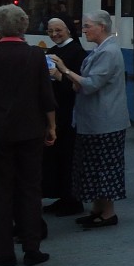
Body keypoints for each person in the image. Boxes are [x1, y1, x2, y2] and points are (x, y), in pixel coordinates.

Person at [0, 4, 57, 266]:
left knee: (2, 192)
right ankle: (32, 248)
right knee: (31, 189)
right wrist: (52, 126)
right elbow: (46, 96)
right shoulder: (35, 55)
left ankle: (4, 252)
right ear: (24, 26)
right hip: (30, 131)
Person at [48, 10, 129, 230]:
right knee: (91, 167)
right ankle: (97, 209)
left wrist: (64, 71)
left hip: (106, 121)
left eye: (87, 26)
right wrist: (72, 79)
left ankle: (108, 212)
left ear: (101, 27)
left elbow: (91, 84)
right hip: (91, 121)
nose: (83, 30)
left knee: (105, 167)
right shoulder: (98, 51)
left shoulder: (109, 52)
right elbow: (81, 84)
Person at [42, 17, 87, 216]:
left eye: (58, 30)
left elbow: (80, 85)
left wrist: (60, 75)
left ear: (68, 30)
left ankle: (72, 199)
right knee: (57, 157)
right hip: (56, 111)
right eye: (50, 31)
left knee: (68, 156)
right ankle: (62, 196)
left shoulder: (77, 52)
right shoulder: (52, 51)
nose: (54, 35)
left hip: (70, 111)